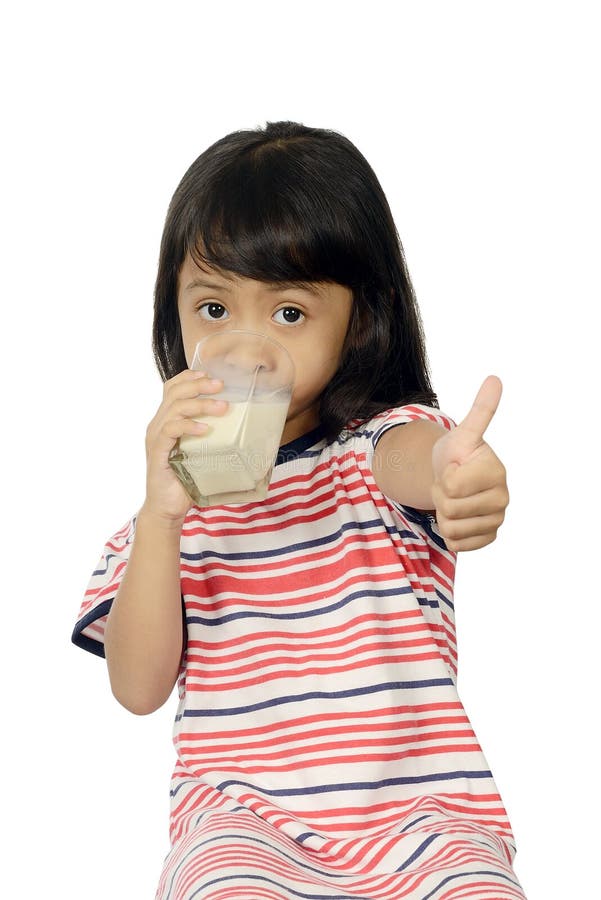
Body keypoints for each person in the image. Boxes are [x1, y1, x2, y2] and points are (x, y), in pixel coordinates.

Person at [72, 121, 526, 899]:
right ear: (171, 315)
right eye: (213, 309)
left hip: (424, 825)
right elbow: (139, 689)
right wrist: (162, 514)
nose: (247, 345)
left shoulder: (374, 452)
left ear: (360, 320)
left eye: (288, 313)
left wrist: (460, 477)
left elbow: (420, 461)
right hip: (241, 829)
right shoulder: (158, 520)